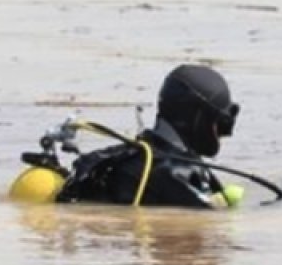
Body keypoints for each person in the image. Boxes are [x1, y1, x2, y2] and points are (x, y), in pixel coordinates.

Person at [55, 64, 242, 209]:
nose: (224, 134)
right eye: (221, 124)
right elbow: (209, 227)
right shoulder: (168, 173)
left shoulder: (137, 156)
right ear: (198, 119)